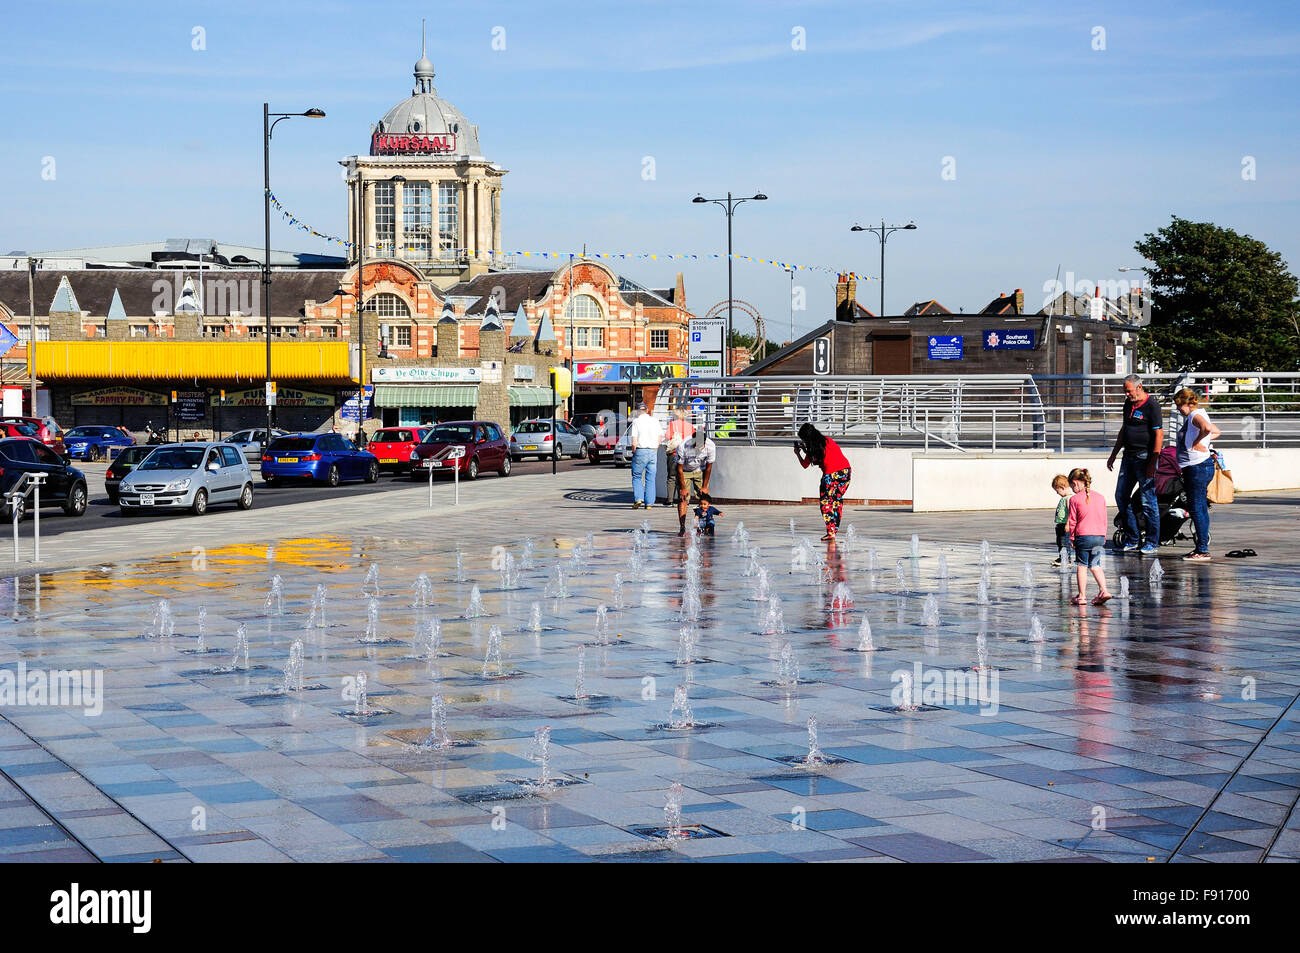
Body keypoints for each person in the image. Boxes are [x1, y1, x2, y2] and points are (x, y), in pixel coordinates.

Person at [1107, 374, 1163, 555]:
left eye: (1129, 390)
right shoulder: (1128, 404)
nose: (1127, 394)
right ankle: (1133, 537)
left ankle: (1152, 541)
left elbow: (1159, 435)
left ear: (1139, 387)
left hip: (1144, 457)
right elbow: (1124, 429)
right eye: (1125, 391)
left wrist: (1152, 462)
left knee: (1148, 502)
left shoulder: (1152, 406)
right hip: (1128, 457)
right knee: (1121, 496)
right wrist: (1114, 454)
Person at [1173, 387, 1221, 562]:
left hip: (1197, 466)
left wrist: (1196, 442)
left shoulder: (1194, 415)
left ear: (1186, 403)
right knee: (1199, 507)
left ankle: (1202, 549)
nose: (1178, 410)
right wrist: (1204, 442)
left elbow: (1207, 428)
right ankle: (1201, 547)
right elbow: (1216, 431)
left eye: (1179, 406)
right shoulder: (1200, 413)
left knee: (1196, 508)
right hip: (1200, 465)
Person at [794, 423, 851, 541]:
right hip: (845, 472)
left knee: (826, 503)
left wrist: (798, 453)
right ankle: (833, 530)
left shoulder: (812, 448)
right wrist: (806, 450)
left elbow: (805, 464)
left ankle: (831, 532)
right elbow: (823, 456)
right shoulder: (827, 440)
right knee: (836, 501)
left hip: (831, 475)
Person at [1065, 467, 1112, 605]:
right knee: (1095, 565)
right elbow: (1104, 519)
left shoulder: (1074, 499)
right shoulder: (1101, 497)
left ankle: (1082, 596)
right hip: (1098, 536)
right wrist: (1103, 536)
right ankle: (1104, 590)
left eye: (1072, 486)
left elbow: (1072, 521)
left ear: (1076, 482)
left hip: (1083, 536)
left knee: (1082, 566)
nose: (1072, 489)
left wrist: (1072, 538)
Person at [676, 432, 717, 536]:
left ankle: (705, 526)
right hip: (685, 470)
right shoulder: (683, 445)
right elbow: (679, 469)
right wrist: (683, 488)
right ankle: (682, 528)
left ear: (704, 442)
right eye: (696, 445)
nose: (698, 448)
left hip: (700, 470)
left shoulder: (710, 446)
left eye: (700, 446)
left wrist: (704, 487)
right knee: (683, 498)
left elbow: (709, 467)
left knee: (704, 498)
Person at [628, 401, 662, 509]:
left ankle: (638, 498)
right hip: (652, 451)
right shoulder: (655, 421)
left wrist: (634, 450)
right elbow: (660, 436)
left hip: (640, 450)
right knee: (651, 477)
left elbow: (634, 439)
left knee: (637, 476)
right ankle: (649, 503)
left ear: (637, 412)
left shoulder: (636, 421)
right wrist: (656, 447)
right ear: (647, 410)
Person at [663, 403, 696, 507]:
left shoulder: (672, 424)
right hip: (687, 454)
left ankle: (670, 500)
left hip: (674, 453)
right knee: (685, 476)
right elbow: (695, 438)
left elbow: (667, 436)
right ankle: (684, 499)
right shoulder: (690, 426)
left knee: (672, 476)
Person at [1050, 474, 1073, 567]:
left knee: (1064, 542)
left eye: (1057, 490)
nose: (1057, 493)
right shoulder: (1064, 498)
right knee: (1060, 542)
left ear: (1062, 487)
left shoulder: (1069, 498)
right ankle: (1062, 557)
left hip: (1065, 525)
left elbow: (1071, 513)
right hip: (1060, 524)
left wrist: (1068, 524)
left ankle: (1067, 559)